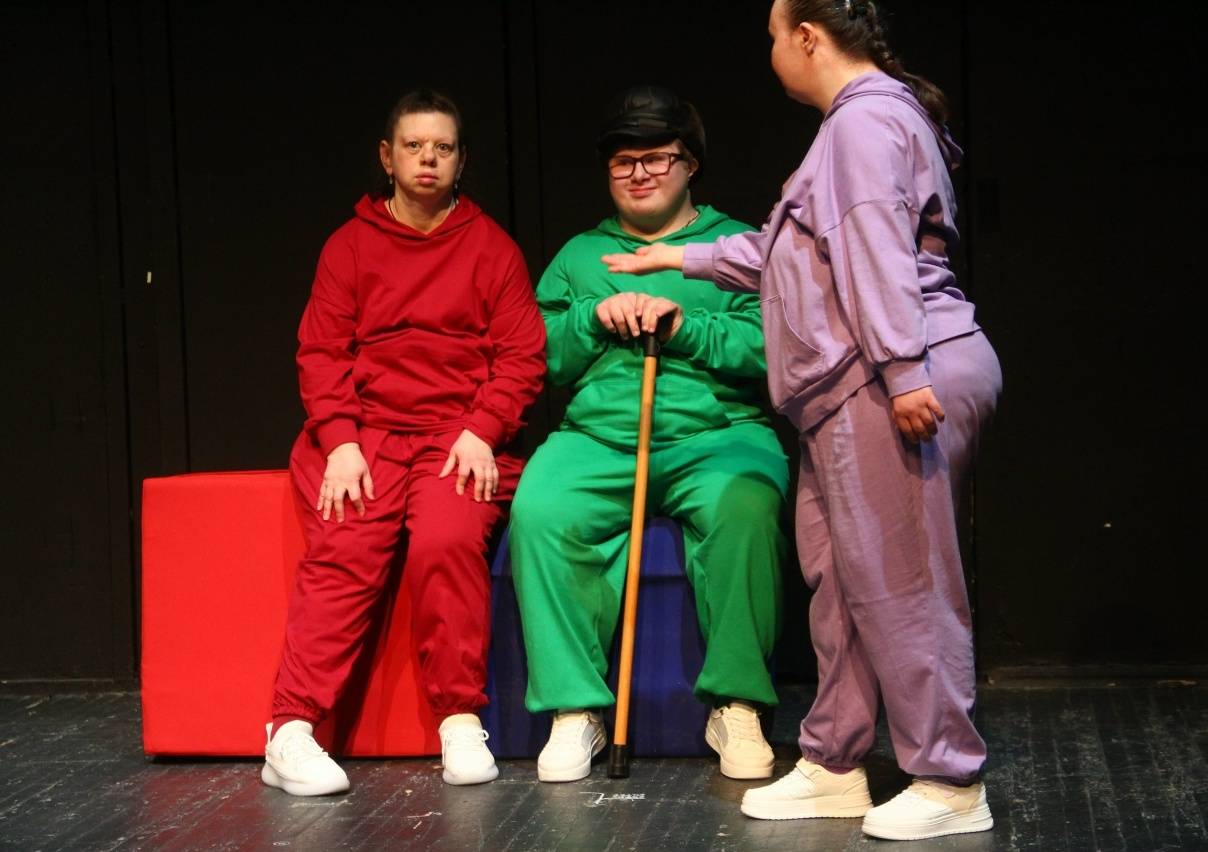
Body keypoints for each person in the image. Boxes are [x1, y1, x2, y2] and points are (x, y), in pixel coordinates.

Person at [602, 1, 1003, 841]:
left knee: (902, 582)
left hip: (891, 374)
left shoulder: (863, 124)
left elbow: (876, 250)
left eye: (774, 36)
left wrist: (902, 371)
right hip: (851, 386)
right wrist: (684, 256)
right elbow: (800, 255)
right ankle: (833, 761)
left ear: (808, 38)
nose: (772, 51)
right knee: (841, 582)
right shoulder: (857, 123)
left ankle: (949, 777)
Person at [262, 89, 546, 795]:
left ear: (461, 160)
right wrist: (340, 440)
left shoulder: (491, 248)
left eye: (442, 148)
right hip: (368, 436)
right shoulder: (350, 245)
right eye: (415, 146)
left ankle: (459, 719)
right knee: (347, 544)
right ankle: (289, 730)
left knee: (446, 540)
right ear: (387, 157)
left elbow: (522, 355)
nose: (428, 159)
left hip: (456, 438)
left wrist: (483, 429)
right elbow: (321, 351)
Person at [508, 85, 790, 784]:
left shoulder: (735, 245)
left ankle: (737, 704)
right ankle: (576, 709)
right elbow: (540, 355)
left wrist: (685, 325)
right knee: (540, 507)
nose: (639, 174)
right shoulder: (580, 255)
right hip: (600, 438)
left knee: (745, 505)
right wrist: (591, 319)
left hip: (717, 435)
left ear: (690, 163)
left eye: (657, 158)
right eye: (623, 161)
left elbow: (774, 346)